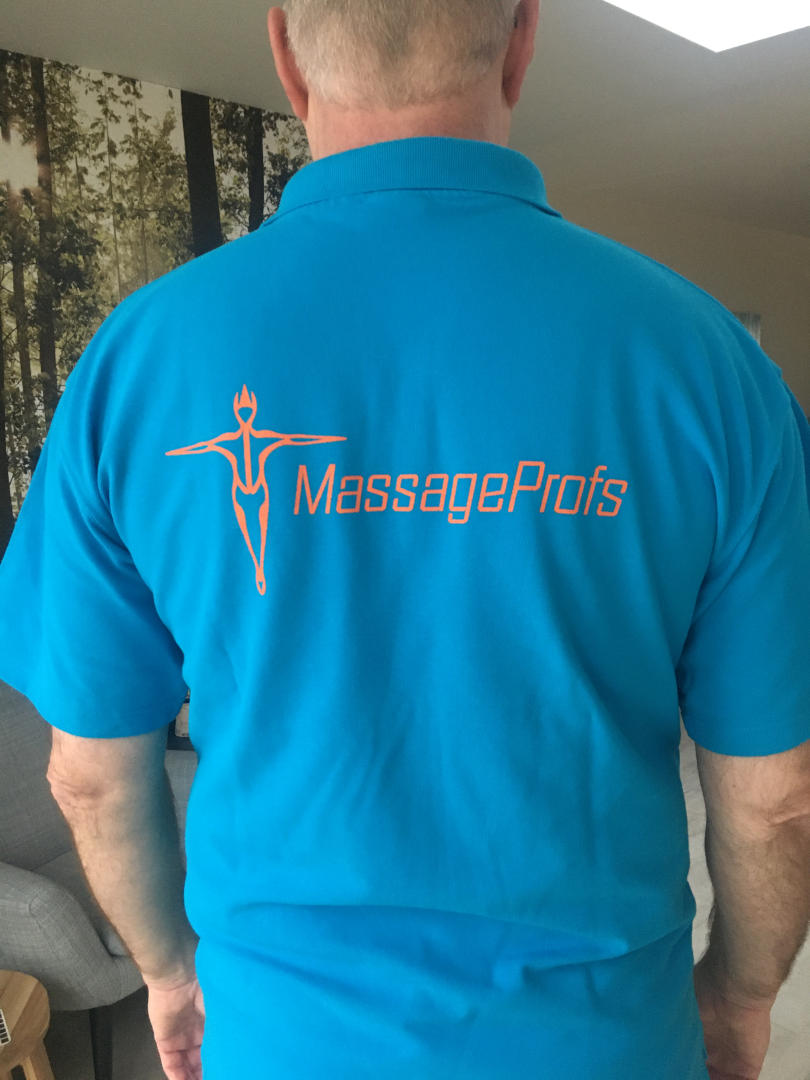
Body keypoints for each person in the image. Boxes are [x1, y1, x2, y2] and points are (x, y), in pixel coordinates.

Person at [0, 1, 808, 1077]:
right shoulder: (712, 365)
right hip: (604, 1041)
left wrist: (172, 974)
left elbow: (91, 779)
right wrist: (743, 993)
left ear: (286, 53)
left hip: (285, 1042)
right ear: (522, 40)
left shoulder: (134, 366)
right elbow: (777, 795)